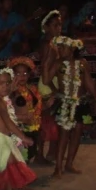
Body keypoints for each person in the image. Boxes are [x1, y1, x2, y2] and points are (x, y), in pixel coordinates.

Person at [45, 37, 96, 178]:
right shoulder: (58, 63)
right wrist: (48, 60)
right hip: (65, 102)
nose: (60, 49)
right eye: (59, 47)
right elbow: (46, 80)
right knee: (63, 135)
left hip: (81, 102)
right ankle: (58, 167)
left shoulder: (83, 64)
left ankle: (69, 163)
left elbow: (88, 82)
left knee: (77, 132)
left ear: (72, 49)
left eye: (63, 47)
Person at [37, 10, 63, 163]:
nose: (58, 28)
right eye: (55, 25)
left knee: (49, 121)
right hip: (48, 85)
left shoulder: (53, 44)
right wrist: (55, 91)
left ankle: (47, 154)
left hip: (51, 83)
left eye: (60, 25)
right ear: (46, 27)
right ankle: (43, 155)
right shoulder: (49, 46)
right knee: (47, 121)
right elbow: (45, 73)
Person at [8, 56, 42, 163]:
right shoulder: (10, 90)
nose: (22, 77)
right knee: (20, 157)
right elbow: (4, 106)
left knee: (28, 156)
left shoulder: (32, 89)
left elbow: (37, 106)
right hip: (18, 128)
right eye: (18, 74)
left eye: (25, 74)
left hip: (32, 126)